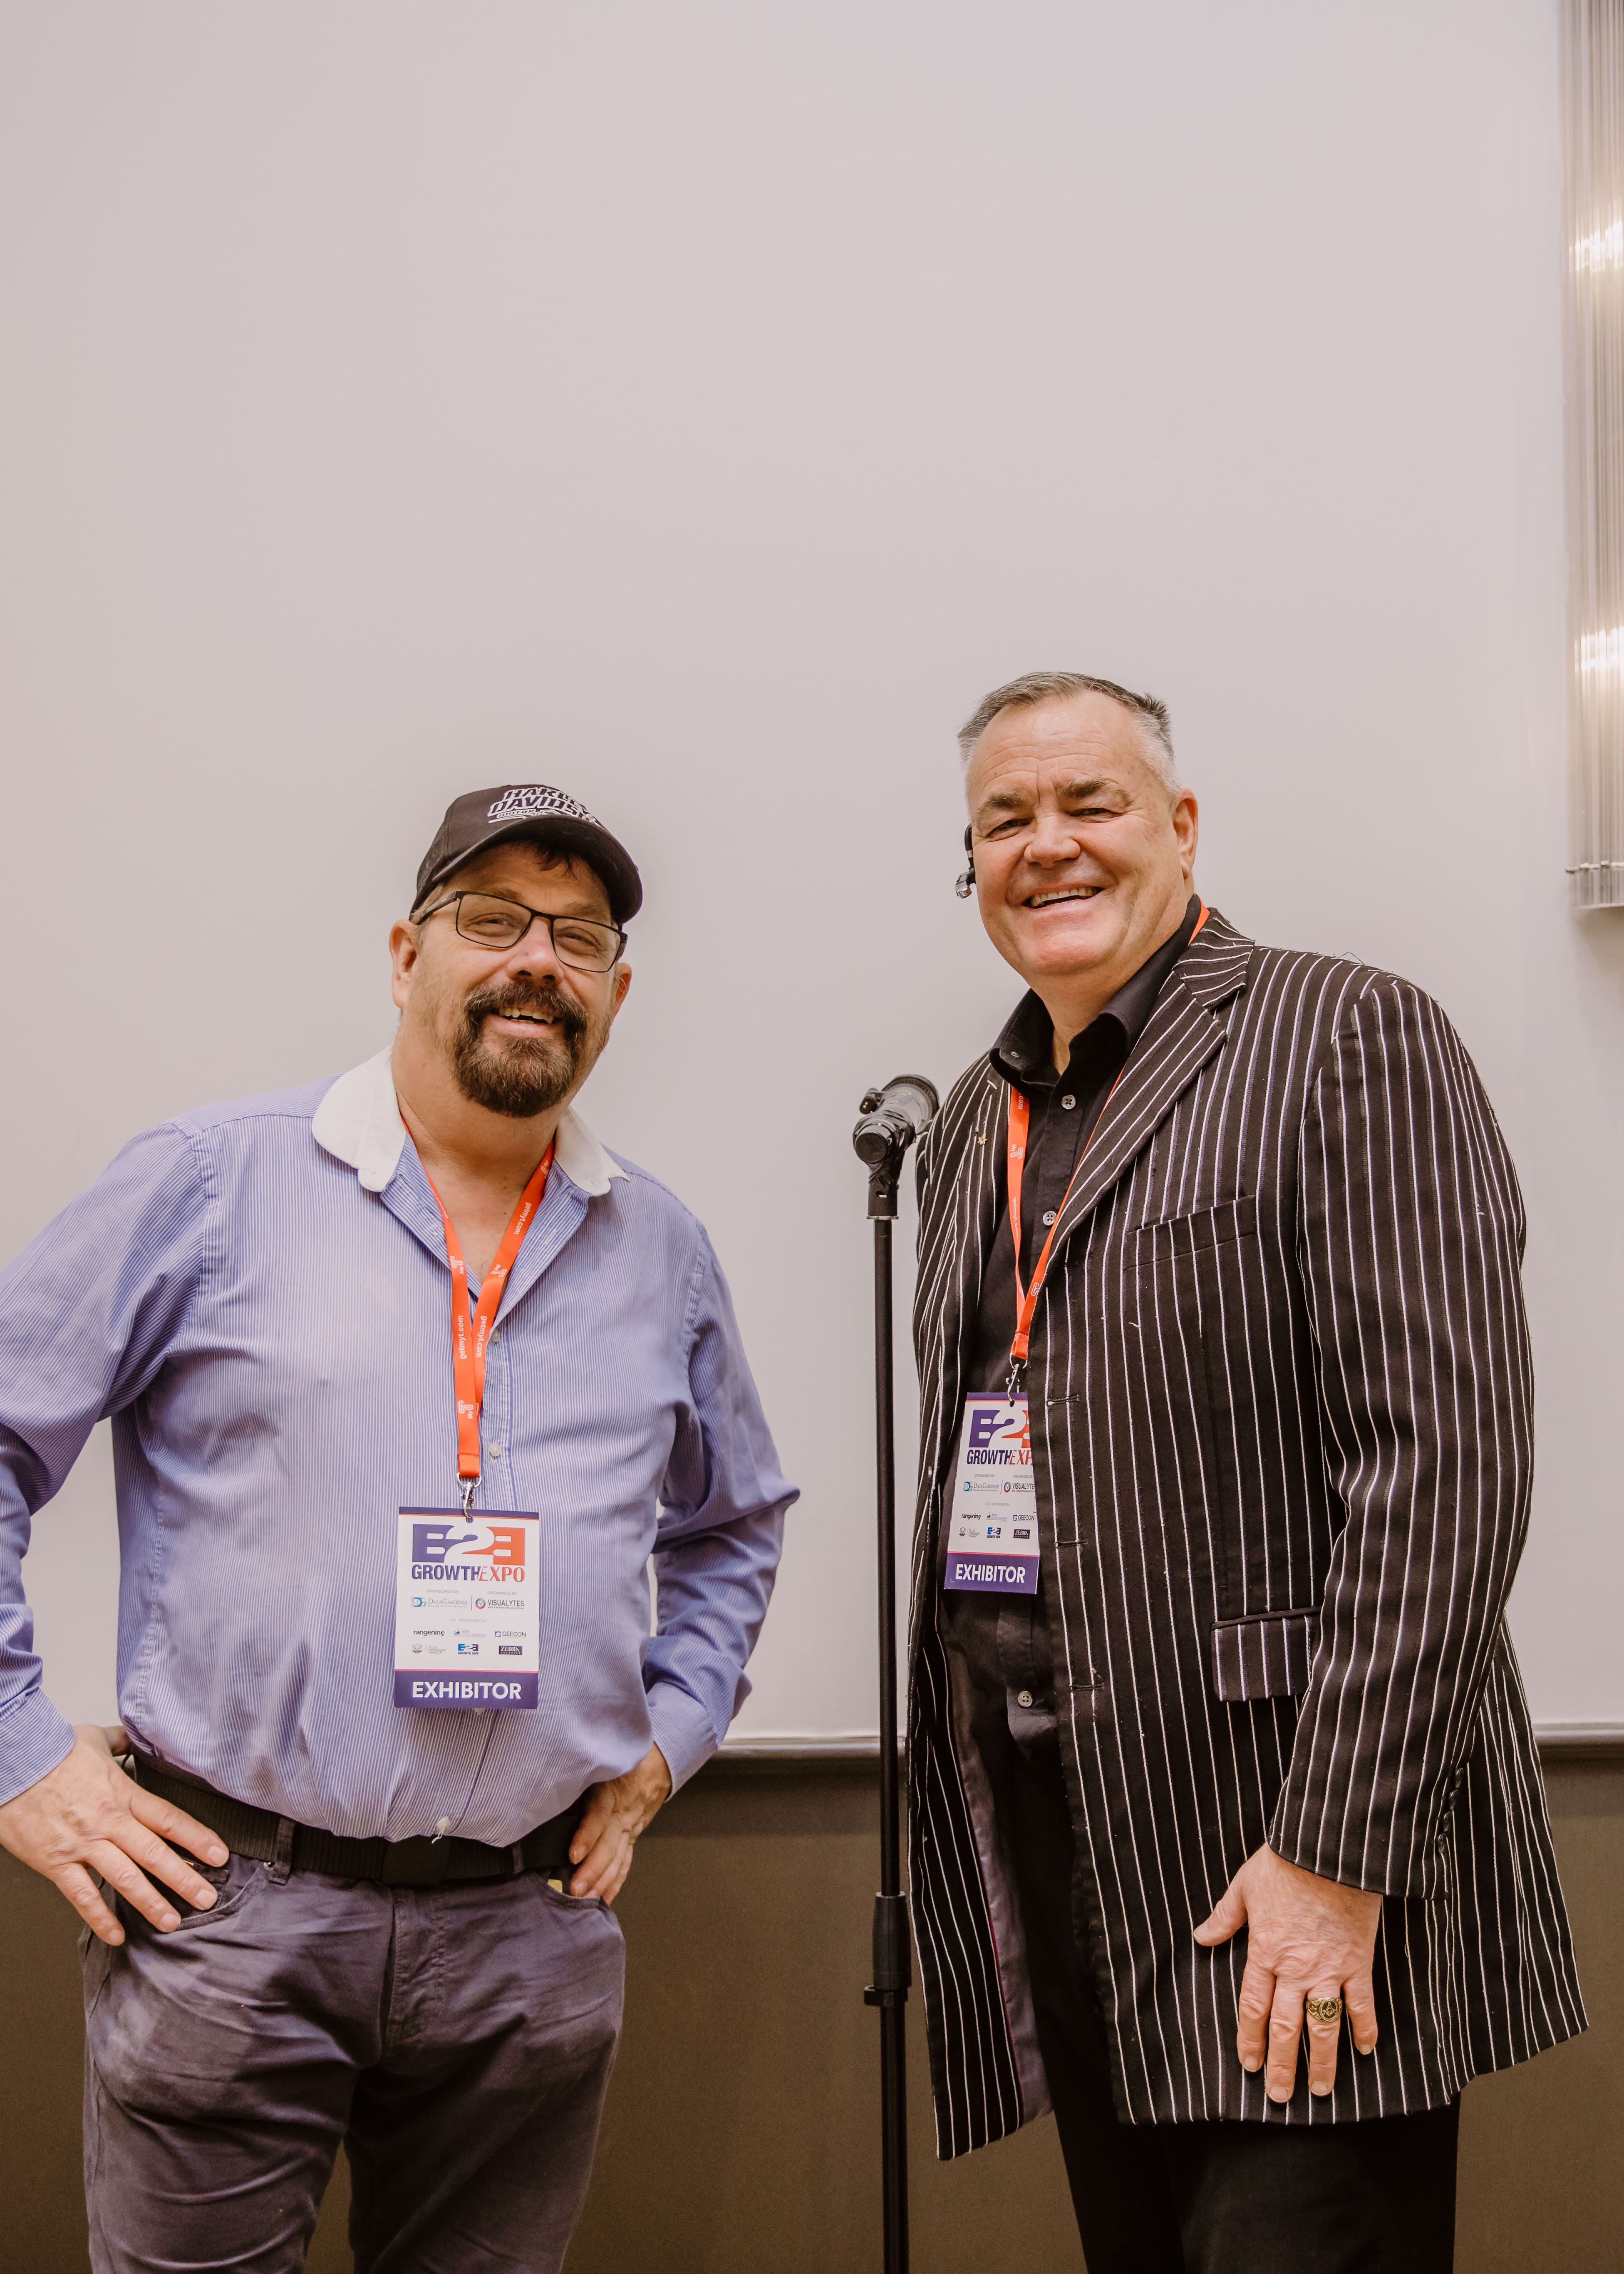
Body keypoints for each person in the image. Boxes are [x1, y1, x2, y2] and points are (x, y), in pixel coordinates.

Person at [0, 781, 796, 2274]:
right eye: (493, 920)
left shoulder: (663, 1247)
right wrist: (19, 1757)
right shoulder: (210, 1183)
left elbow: (735, 1521)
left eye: (578, 936)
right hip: (230, 1914)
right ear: (404, 954)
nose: (537, 961)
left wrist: (671, 1738)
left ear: (618, 994)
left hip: (528, 1927)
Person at [907, 673, 1584, 2274]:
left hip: (1282, 1846)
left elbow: (1445, 1468)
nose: (1048, 845)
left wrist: (1337, 1854)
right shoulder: (969, 1123)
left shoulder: (1346, 1032)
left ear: (1183, 825)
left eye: (1091, 803)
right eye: (1006, 819)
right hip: (1065, 1844)